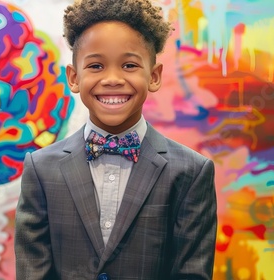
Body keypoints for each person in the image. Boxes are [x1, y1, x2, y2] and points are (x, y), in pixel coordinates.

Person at [14, 0, 217, 279]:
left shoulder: (192, 172)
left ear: (154, 76)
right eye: (96, 66)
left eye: (129, 65)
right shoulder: (40, 169)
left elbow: (191, 273)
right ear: (73, 78)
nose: (112, 79)